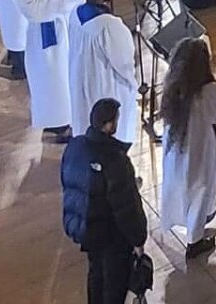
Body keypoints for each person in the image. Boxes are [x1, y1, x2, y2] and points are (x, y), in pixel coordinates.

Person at [60, 97, 147, 304]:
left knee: (95, 277)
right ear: (110, 124)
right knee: (113, 288)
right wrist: (138, 239)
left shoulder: (75, 146)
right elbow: (126, 208)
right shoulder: (116, 160)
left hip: (88, 230)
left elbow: (68, 182)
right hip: (112, 237)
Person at [158, 35, 216, 258]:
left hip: (177, 149)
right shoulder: (207, 90)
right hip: (199, 150)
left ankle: (191, 225)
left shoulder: (173, 86)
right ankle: (195, 240)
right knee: (200, 188)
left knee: (183, 185)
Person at [16, 0, 89, 141]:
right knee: (52, 82)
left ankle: (77, 120)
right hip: (45, 37)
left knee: (74, 77)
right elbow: (33, 12)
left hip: (72, 29)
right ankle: (58, 124)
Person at [69, 0, 141, 148]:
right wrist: (134, 78)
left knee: (87, 122)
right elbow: (123, 62)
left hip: (81, 78)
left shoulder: (76, 14)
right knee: (111, 132)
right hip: (104, 84)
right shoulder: (109, 25)